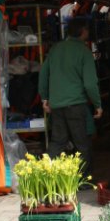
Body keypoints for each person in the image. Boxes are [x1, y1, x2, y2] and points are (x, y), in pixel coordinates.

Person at [38, 17, 102, 176]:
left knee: (57, 143)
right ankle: (82, 181)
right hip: (76, 105)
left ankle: (45, 176)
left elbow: (43, 75)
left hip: (56, 105)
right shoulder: (84, 51)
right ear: (83, 31)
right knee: (82, 145)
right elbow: (90, 84)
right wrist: (97, 105)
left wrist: (45, 98)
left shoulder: (55, 49)